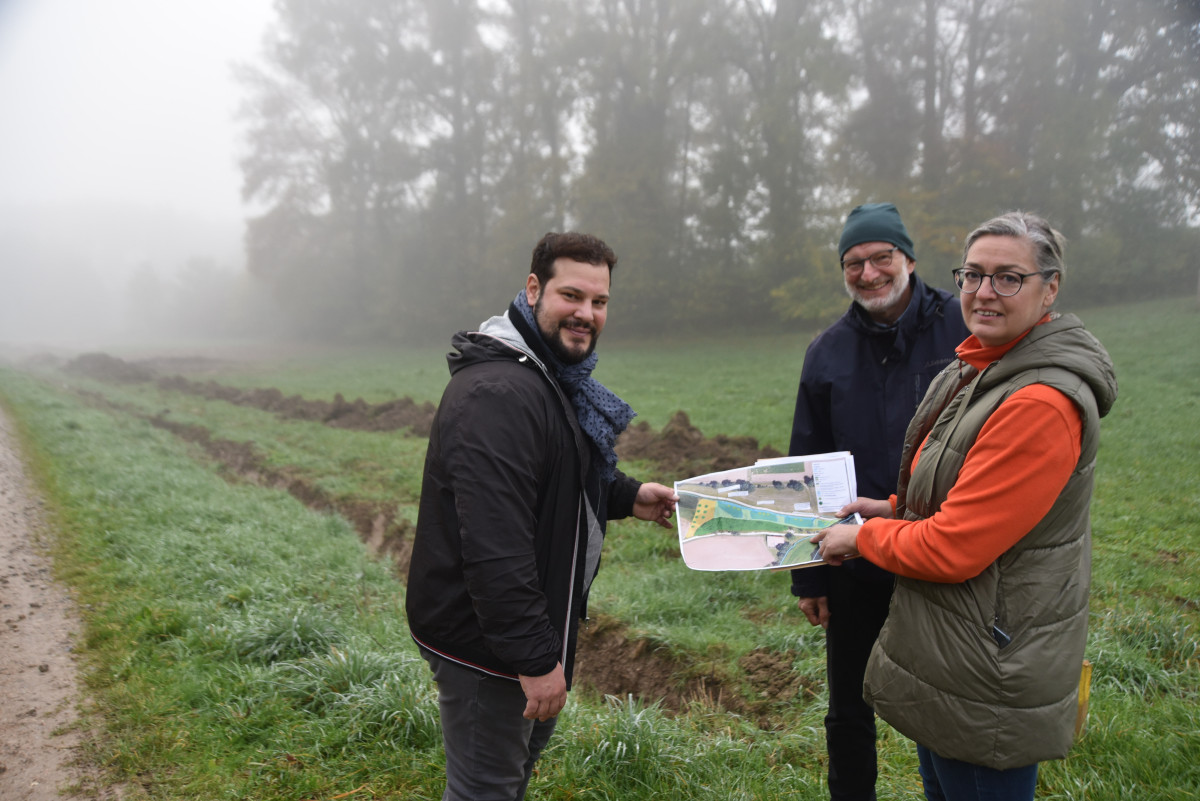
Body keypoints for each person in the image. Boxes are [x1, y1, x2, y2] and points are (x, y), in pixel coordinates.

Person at [814, 211, 1117, 801]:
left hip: (992, 662)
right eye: (973, 275)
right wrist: (892, 507)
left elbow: (955, 545)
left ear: (1049, 288)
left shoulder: (1039, 403)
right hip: (960, 646)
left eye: (1008, 278)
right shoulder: (981, 367)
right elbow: (958, 486)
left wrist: (861, 539)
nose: (984, 292)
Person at [405, 231, 679, 801]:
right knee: (488, 789)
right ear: (534, 289)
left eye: (599, 302)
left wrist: (626, 496)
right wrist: (535, 657)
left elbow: (552, 473)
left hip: (520, 631)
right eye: (571, 296)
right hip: (486, 645)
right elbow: (494, 544)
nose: (586, 314)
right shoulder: (501, 392)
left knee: (509, 778)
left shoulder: (543, 376)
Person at [788, 202, 968, 801]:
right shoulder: (827, 352)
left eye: (880, 258)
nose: (868, 273)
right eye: (853, 263)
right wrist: (809, 576)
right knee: (848, 708)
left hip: (943, 549)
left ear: (909, 259)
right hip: (852, 555)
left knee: (947, 703)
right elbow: (805, 462)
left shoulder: (964, 326)